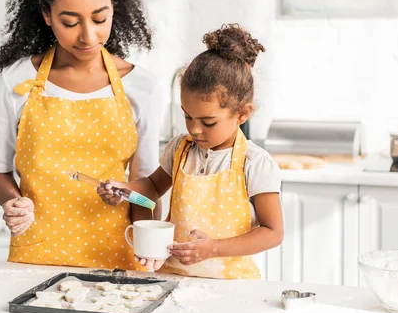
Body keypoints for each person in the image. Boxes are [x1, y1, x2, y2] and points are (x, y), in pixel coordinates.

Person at [0, 0, 161, 270]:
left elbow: (147, 187)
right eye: (70, 21)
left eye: (99, 18)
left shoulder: (142, 87)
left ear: (114, 9)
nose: (88, 36)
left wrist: (149, 238)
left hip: (117, 260)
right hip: (34, 259)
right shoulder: (12, 83)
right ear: (46, 14)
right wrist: (14, 202)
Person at [98, 24, 283, 279]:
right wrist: (123, 189)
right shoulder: (180, 149)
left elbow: (273, 231)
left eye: (208, 122)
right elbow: (153, 187)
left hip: (231, 284)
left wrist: (214, 248)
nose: (194, 129)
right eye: (187, 116)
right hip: (174, 276)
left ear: (242, 113)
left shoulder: (255, 163)